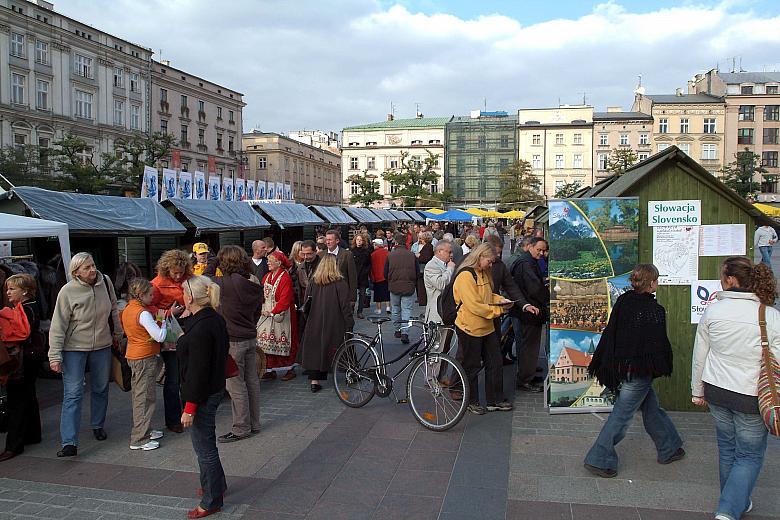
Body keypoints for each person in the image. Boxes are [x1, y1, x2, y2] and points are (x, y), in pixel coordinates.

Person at [691, 257, 780, 520]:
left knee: (727, 448)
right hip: (752, 396)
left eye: (722, 275)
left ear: (731, 280)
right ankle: (728, 509)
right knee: (749, 455)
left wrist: (697, 391)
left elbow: (700, 355)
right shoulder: (770, 316)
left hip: (716, 390)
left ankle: (735, 501)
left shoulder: (713, 311)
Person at [583, 264, 682, 478]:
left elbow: (615, 334)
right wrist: (658, 366)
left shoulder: (623, 302)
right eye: (656, 280)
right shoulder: (654, 311)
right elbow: (656, 346)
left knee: (651, 407)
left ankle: (669, 446)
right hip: (639, 371)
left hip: (623, 366)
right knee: (622, 414)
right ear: (652, 283)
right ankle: (599, 457)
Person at [48, 252, 123, 457]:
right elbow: (58, 325)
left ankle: (98, 425)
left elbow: (114, 309)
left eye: (92, 265)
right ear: (76, 273)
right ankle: (69, 442)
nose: (92, 270)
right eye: (87, 268)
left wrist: (118, 333)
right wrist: (54, 356)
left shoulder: (105, 282)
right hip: (73, 348)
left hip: (102, 345)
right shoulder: (67, 291)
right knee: (73, 393)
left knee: (100, 388)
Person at [178, 276, 228, 519]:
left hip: (203, 393)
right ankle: (216, 486)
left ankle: (211, 500)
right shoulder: (213, 319)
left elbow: (197, 371)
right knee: (207, 444)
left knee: (204, 447)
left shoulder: (201, 327)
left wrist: (189, 407)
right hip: (214, 387)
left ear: (189, 297)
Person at [453, 243, 514, 415]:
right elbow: (474, 305)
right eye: (489, 261)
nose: (491, 264)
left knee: (495, 362)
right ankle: (472, 401)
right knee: (472, 365)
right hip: (469, 327)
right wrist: (498, 310)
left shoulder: (484, 273)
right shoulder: (465, 276)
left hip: (487, 326)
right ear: (480, 257)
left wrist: (501, 300)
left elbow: (487, 296)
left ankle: (495, 399)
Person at [215, 246, 262, 443]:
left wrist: (212, 262)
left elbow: (204, 277)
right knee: (251, 382)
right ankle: (254, 423)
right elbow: (258, 310)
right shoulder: (253, 281)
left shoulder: (224, 284)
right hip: (250, 336)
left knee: (236, 385)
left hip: (233, 340)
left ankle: (241, 427)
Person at [0, 274, 44, 462]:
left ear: (24, 291)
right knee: (28, 396)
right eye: (7, 289)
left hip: (22, 360)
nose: (8, 292)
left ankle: (13, 445)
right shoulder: (30, 307)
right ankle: (32, 435)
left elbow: (19, 333)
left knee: (17, 400)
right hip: (30, 358)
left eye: (12, 289)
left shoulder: (24, 310)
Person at [122, 278, 167, 451]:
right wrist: (162, 320)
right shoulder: (143, 313)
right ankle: (139, 438)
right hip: (144, 357)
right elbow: (160, 336)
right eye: (150, 294)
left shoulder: (128, 309)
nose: (152, 297)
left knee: (141, 396)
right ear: (140, 295)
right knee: (145, 398)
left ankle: (145, 430)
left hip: (135, 355)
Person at [151, 249, 193, 434]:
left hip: (189, 329)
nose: (177, 276)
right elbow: (151, 313)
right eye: (174, 273)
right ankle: (173, 419)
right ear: (166, 270)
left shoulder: (189, 279)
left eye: (180, 272)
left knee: (188, 375)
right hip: (170, 334)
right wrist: (170, 313)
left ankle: (189, 411)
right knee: (173, 378)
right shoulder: (156, 285)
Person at [301, 255, 354, 392]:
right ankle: (350, 373)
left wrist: (308, 318)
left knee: (315, 351)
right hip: (335, 322)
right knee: (342, 347)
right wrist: (349, 322)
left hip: (314, 320)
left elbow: (306, 303)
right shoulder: (340, 283)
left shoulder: (313, 282)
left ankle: (314, 381)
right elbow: (345, 306)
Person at [511, 237, 550, 392]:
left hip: (528, 310)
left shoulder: (527, 261)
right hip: (529, 311)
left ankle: (528, 374)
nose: (541, 253)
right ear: (530, 247)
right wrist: (548, 297)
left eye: (544, 250)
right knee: (529, 346)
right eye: (539, 249)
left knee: (529, 346)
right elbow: (534, 288)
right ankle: (525, 379)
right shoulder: (526, 263)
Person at [257, 251, 298, 381]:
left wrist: (274, 311)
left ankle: (290, 369)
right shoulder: (267, 276)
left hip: (282, 314)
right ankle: (269, 369)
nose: (268, 262)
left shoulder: (285, 277)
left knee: (285, 340)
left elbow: (286, 298)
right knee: (267, 341)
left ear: (279, 263)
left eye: (270, 260)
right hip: (268, 313)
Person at [385, 232, 418, 344]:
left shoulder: (390, 255)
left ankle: (397, 329)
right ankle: (405, 332)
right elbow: (417, 272)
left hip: (394, 285)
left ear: (396, 242)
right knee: (406, 310)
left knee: (395, 308)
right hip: (408, 285)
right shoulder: (411, 255)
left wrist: (390, 279)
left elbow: (385, 273)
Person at [321, 230, 357, 307]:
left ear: (337, 240)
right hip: (325, 294)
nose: (327, 242)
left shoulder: (347, 255)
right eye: (327, 240)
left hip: (342, 294)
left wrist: (353, 298)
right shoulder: (321, 255)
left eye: (330, 240)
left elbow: (352, 277)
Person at [351, 232, 373, 319]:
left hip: (363, 276)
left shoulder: (366, 252)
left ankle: (360, 311)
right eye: (357, 240)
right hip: (353, 275)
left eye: (360, 240)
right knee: (352, 294)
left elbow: (369, 264)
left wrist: (365, 272)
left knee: (362, 294)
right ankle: (351, 309)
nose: (359, 242)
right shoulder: (351, 251)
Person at [370, 238, 391, 315]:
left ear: (376, 245)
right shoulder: (387, 253)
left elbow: (371, 266)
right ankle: (388, 307)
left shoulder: (373, 255)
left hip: (377, 276)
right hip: (386, 276)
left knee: (378, 294)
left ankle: (378, 309)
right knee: (386, 292)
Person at [415, 232, 434, 308]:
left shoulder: (428, 247)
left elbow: (426, 258)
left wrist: (418, 256)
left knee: (423, 288)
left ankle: (423, 302)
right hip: (424, 270)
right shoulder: (428, 246)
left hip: (423, 270)